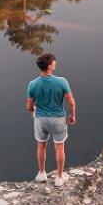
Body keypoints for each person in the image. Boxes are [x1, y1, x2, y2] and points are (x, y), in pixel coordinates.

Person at [26, 52, 76, 188]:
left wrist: (34, 112)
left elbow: (29, 106)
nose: (56, 64)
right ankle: (59, 177)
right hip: (58, 119)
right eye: (54, 62)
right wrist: (72, 115)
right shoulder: (62, 81)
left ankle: (42, 173)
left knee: (41, 145)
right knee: (59, 147)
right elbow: (71, 102)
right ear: (49, 66)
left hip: (40, 119)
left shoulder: (33, 84)